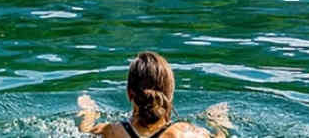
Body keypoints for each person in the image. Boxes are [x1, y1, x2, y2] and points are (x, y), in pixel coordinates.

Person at [77, 51, 230, 137]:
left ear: (130, 94)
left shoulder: (113, 131)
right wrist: (218, 122)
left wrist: (89, 113)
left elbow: (85, 131)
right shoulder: (184, 133)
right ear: (169, 95)